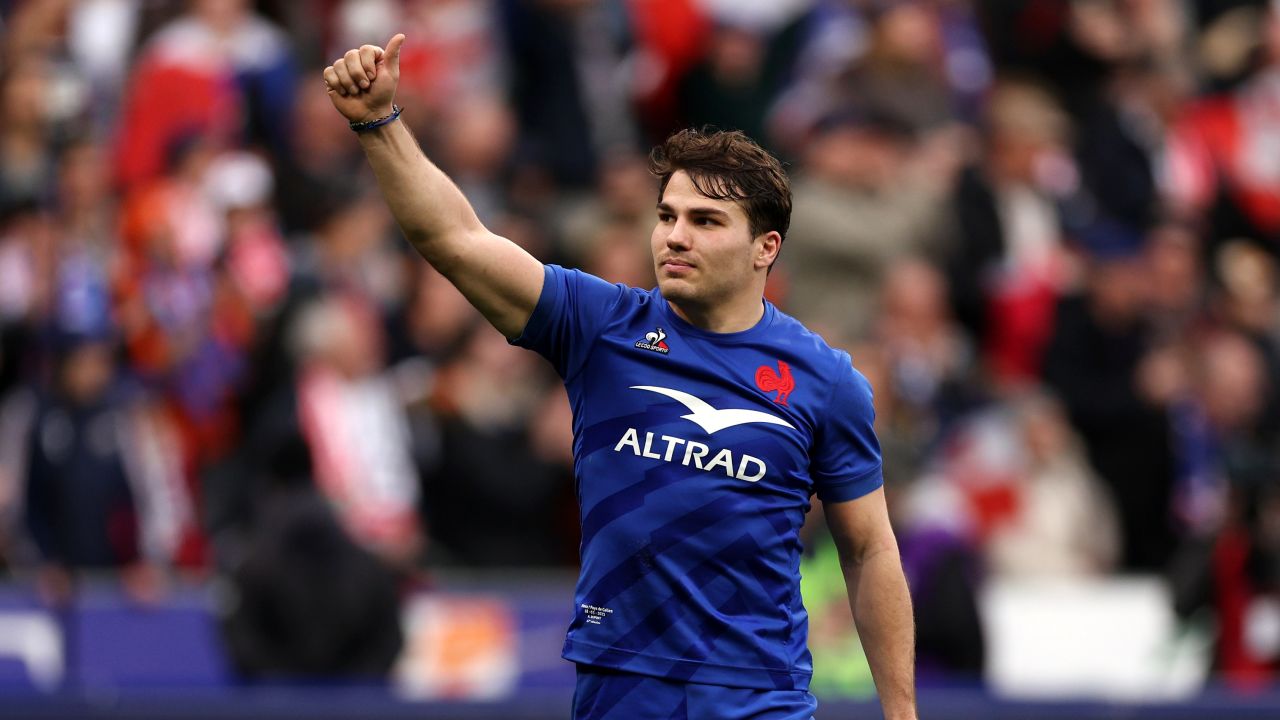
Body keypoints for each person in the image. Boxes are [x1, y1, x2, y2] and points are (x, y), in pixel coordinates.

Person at [323, 34, 916, 720]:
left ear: (765, 248)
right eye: (666, 216)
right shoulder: (601, 325)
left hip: (756, 697)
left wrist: (900, 713)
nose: (674, 236)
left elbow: (870, 549)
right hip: (619, 689)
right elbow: (455, 240)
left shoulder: (824, 379)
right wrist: (377, 123)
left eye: (704, 220)